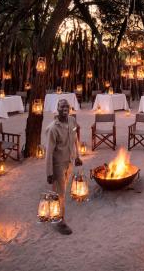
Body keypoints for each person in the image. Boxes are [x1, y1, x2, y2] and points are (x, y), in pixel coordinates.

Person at [45, 99, 82, 235]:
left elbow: (75, 139)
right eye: (62, 106)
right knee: (59, 193)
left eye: (67, 106)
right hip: (58, 164)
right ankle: (60, 221)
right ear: (58, 108)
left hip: (69, 162)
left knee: (62, 190)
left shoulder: (72, 121)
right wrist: (49, 172)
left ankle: (53, 212)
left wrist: (77, 156)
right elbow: (48, 152)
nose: (65, 108)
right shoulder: (53, 129)